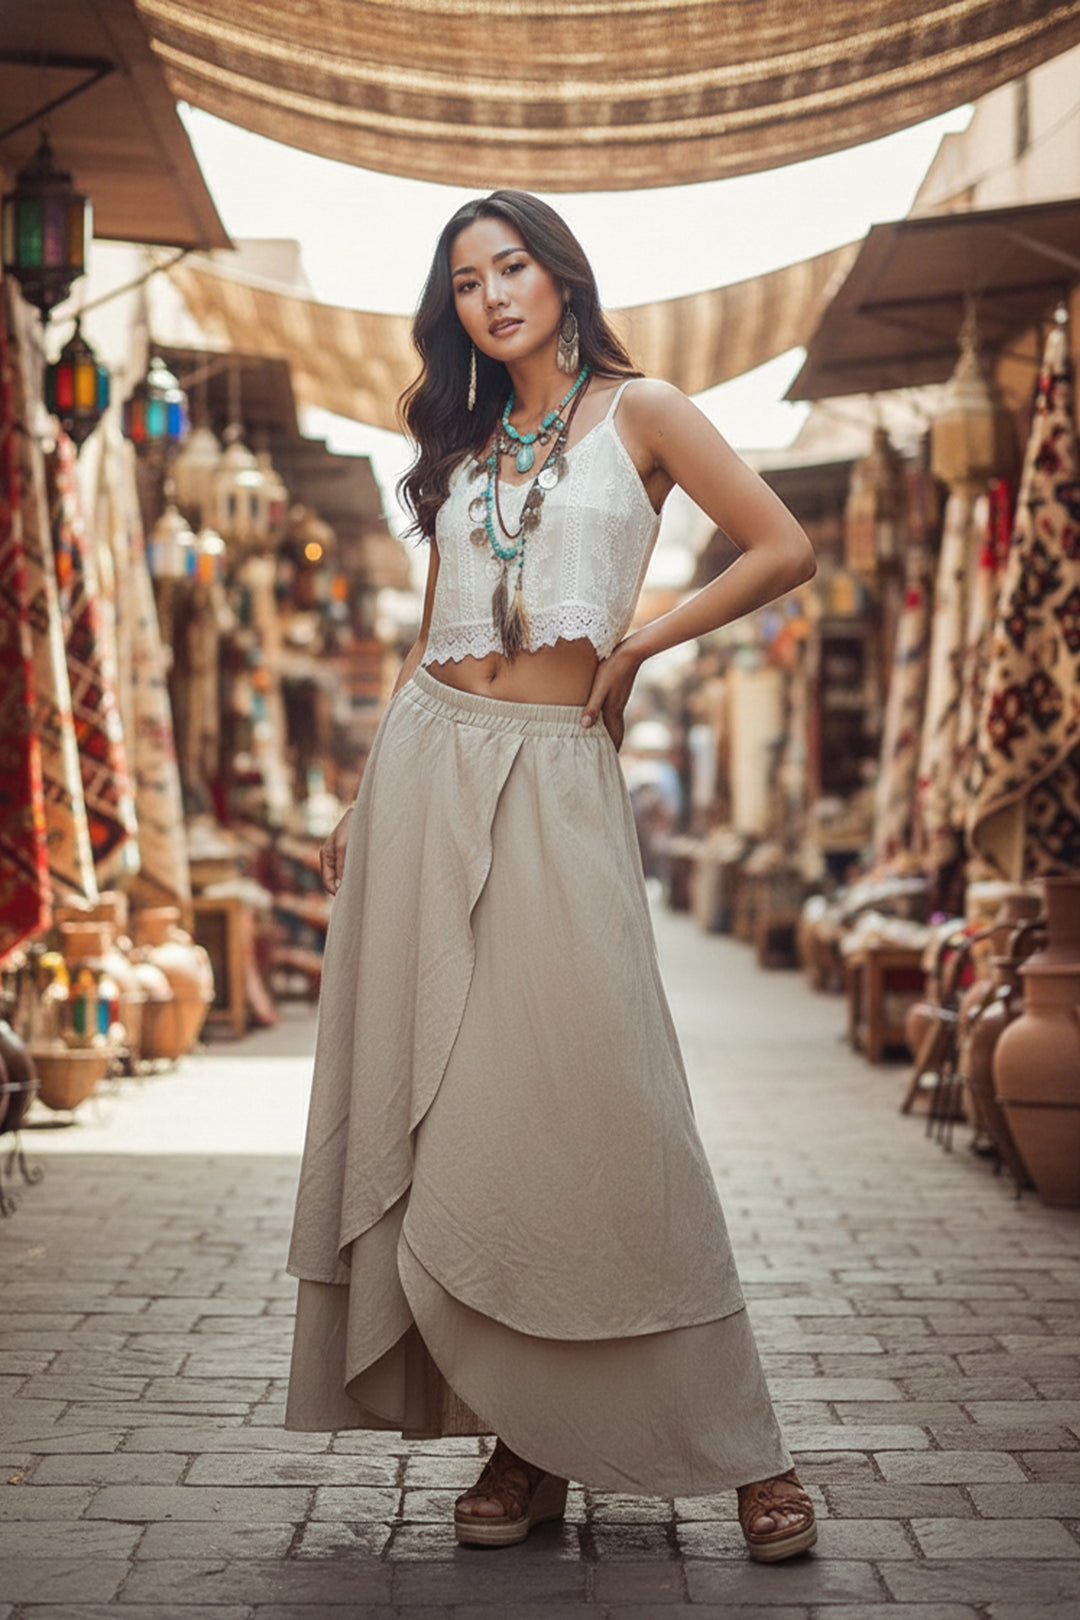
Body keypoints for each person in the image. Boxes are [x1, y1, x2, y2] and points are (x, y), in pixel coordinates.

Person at [285, 190, 819, 1562]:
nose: (491, 295)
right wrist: (357, 789)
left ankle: (745, 1444)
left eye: (511, 265)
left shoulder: (649, 411)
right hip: (427, 768)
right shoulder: (464, 444)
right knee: (470, 1116)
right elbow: (429, 637)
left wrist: (642, 644)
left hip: (556, 774)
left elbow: (781, 546)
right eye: (464, 281)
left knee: (613, 1103)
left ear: (561, 276)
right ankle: (522, 1447)